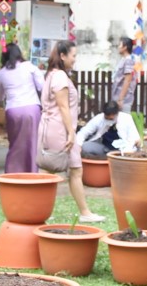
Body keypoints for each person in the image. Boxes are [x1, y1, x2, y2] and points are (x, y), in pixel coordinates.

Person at [41, 40, 106, 222]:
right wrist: (71, 132)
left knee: (72, 170)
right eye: (73, 55)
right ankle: (41, 210)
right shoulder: (60, 76)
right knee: (53, 171)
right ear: (63, 56)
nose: (75, 59)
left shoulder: (53, 74)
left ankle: (84, 212)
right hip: (59, 129)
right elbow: (63, 106)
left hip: (56, 128)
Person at [0, 43, 45, 174]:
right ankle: (32, 174)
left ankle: (12, 174)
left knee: (16, 143)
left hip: (13, 111)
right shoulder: (30, 67)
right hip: (32, 109)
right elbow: (42, 86)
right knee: (32, 143)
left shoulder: (1, 73)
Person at [112, 37, 139, 112]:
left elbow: (127, 80)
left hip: (124, 100)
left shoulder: (129, 61)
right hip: (117, 97)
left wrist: (121, 99)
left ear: (125, 47)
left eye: (120, 45)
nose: (118, 47)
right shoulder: (123, 60)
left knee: (123, 118)